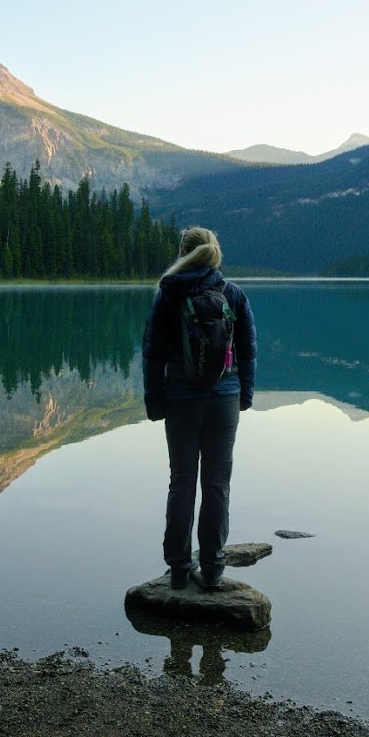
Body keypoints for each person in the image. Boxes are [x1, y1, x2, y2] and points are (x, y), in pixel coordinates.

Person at [142, 226, 256, 590]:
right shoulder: (233, 294)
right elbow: (248, 349)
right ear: (213, 253)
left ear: (183, 253)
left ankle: (178, 569)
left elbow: (153, 352)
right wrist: (245, 394)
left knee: (182, 483)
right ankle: (212, 569)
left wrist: (155, 401)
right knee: (217, 485)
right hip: (224, 401)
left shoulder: (168, 295)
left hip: (181, 401)